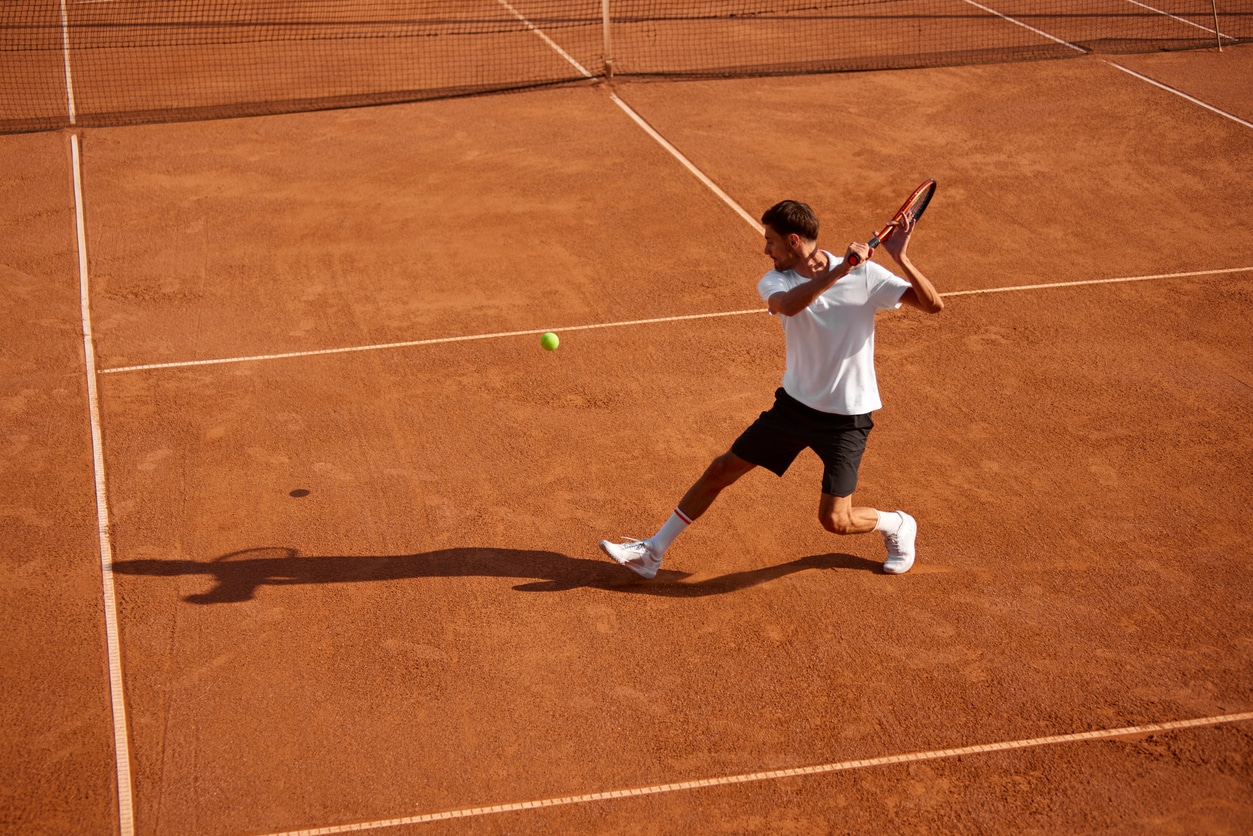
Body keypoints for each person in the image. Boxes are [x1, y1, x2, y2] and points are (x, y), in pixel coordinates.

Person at [599, 199, 944, 578]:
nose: (766, 250)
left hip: (847, 418)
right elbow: (791, 306)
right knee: (721, 470)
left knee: (836, 521)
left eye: (771, 241)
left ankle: (896, 523)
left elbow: (933, 306)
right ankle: (652, 553)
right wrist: (840, 271)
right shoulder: (777, 280)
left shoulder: (867, 275)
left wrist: (901, 259)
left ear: (793, 241)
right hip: (794, 409)